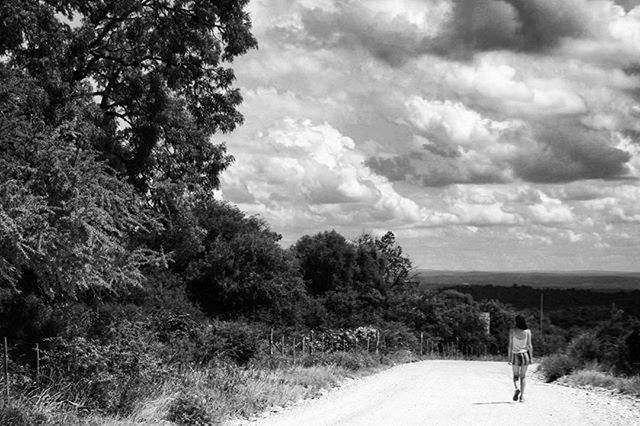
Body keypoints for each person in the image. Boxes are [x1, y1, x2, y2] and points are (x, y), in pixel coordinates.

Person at [508, 315, 533, 402]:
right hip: (525, 355)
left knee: (515, 376)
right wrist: (531, 358)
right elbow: (529, 345)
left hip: (515, 355)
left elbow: (510, 345)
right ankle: (522, 397)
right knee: (523, 377)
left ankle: (516, 388)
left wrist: (509, 358)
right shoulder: (528, 332)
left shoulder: (512, 331)